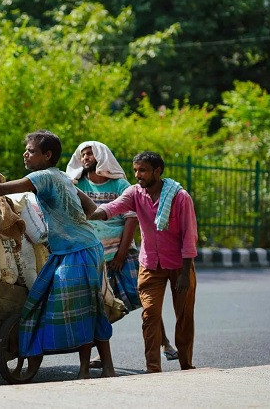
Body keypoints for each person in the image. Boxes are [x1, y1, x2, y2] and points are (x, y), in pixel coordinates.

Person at [0, 130, 116, 379]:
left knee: (83, 309)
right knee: (44, 303)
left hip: (81, 251)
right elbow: (91, 209)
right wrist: (69, 219)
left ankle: (93, 368)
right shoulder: (62, 177)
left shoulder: (42, 176)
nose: (26, 153)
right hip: (72, 250)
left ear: (47, 155)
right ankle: (66, 366)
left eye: (31, 150)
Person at [65, 142, 178, 367]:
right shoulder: (77, 186)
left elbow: (131, 219)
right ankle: (101, 352)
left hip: (122, 255)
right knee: (102, 305)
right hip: (94, 255)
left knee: (146, 301)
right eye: (83, 155)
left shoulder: (120, 185)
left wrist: (121, 254)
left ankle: (165, 342)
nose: (86, 158)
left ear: (102, 158)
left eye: (91, 154)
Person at [88, 151, 197, 373]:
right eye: (136, 170)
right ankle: (153, 369)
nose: (138, 175)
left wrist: (186, 273)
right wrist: (88, 214)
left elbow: (189, 236)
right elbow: (112, 208)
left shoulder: (180, 197)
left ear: (157, 171)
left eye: (143, 170)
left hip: (180, 265)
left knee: (184, 316)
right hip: (150, 265)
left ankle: (186, 365)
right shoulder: (135, 194)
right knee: (150, 316)